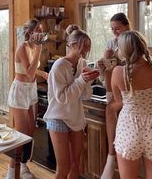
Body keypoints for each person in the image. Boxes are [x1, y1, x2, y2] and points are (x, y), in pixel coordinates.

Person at [43, 24, 100, 179]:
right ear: (72, 45)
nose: (86, 50)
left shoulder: (82, 64)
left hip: (75, 117)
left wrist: (89, 81)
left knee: (76, 164)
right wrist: (81, 80)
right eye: (84, 46)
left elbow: (85, 96)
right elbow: (62, 98)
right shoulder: (59, 66)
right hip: (58, 117)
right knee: (63, 168)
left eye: (88, 47)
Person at [112, 30, 152, 179]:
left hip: (128, 127)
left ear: (123, 51)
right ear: (143, 47)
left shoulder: (118, 72)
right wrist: (142, 47)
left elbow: (119, 101)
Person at [6, 19, 48, 179]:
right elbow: (29, 72)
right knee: (21, 132)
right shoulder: (22, 47)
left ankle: (22, 167)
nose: (41, 33)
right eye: (38, 29)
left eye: (42, 30)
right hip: (20, 91)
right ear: (30, 33)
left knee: (30, 131)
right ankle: (11, 171)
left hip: (31, 90)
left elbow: (31, 69)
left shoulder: (32, 47)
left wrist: (42, 73)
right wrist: (39, 49)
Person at [100, 13, 131, 179]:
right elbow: (108, 68)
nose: (115, 32)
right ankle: (111, 158)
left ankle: (113, 159)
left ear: (127, 26)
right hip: (113, 85)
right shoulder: (111, 43)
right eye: (112, 29)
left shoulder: (133, 41)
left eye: (117, 28)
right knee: (109, 109)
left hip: (131, 87)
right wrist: (104, 60)